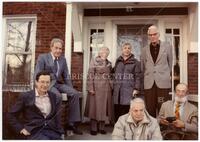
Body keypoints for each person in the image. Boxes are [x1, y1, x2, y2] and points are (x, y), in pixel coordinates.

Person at [34, 38, 82, 135]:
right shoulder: (43, 57)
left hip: (58, 84)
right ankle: (57, 125)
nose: (58, 51)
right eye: (56, 48)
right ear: (51, 48)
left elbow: (66, 76)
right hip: (47, 84)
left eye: (60, 49)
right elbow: (37, 74)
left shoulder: (62, 60)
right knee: (57, 96)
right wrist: (39, 88)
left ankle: (71, 124)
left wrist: (71, 89)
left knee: (75, 94)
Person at [8, 71, 64, 140]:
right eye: (42, 82)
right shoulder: (26, 96)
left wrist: (60, 132)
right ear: (36, 82)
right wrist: (21, 129)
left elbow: (56, 116)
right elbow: (11, 115)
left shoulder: (53, 96)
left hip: (51, 130)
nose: (45, 85)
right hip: (33, 131)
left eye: (47, 82)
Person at [141, 25, 173, 117]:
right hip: (149, 84)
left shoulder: (167, 47)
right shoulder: (144, 50)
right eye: (150, 35)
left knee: (162, 106)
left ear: (158, 34)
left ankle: (162, 129)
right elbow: (143, 66)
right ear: (148, 36)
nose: (152, 36)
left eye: (154, 34)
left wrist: (165, 75)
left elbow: (170, 63)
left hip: (162, 84)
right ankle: (152, 128)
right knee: (150, 107)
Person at [84, 47, 113, 135]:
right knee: (94, 108)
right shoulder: (94, 61)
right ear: (99, 53)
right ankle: (93, 128)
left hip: (106, 88)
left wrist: (112, 84)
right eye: (103, 51)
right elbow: (90, 74)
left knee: (104, 108)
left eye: (106, 52)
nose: (105, 53)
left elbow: (111, 75)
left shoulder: (109, 63)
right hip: (96, 88)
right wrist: (90, 88)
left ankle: (102, 128)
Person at [113, 42, 141, 122]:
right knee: (117, 110)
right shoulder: (118, 61)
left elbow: (138, 76)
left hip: (128, 90)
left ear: (131, 50)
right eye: (125, 48)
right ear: (122, 49)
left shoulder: (135, 62)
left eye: (129, 48)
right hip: (117, 90)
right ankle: (118, 128)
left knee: (126, 110)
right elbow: (113, 74)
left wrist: (136, 88)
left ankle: (127, 129)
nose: (127, 50)